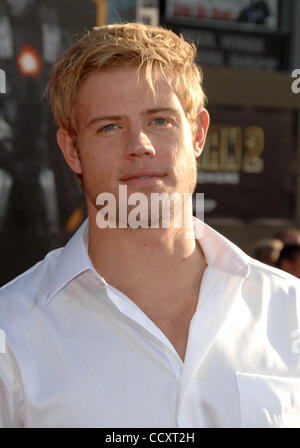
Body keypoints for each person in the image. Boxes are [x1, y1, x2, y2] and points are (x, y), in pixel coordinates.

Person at [0, 23, 300, 429]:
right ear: (72, 150)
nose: (140, 143)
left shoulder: (289, 310)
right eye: (109, 126)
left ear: (198, 133)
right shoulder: (11, 332)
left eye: (160, 120)